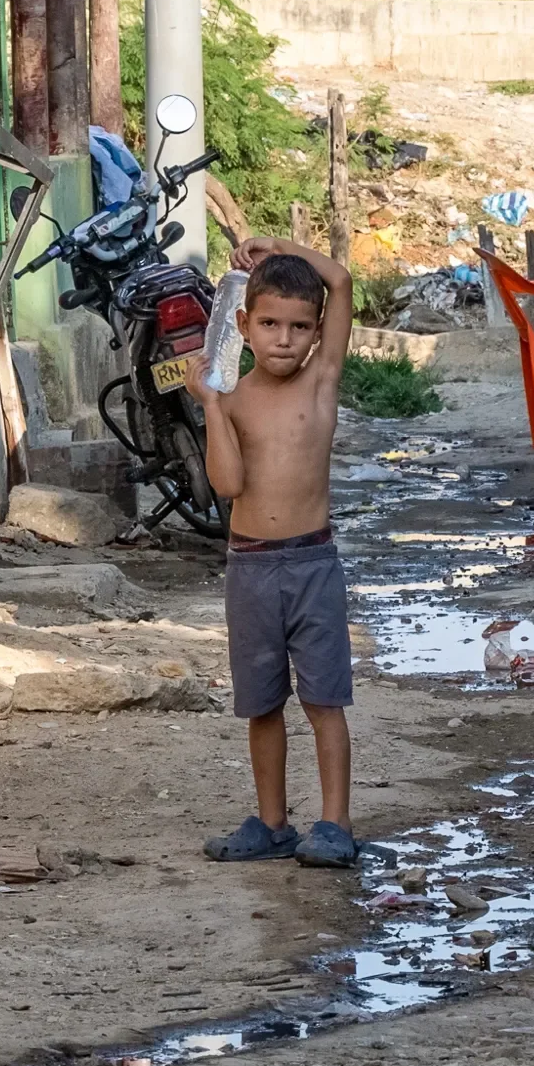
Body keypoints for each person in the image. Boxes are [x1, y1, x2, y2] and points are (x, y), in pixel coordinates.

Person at [184, 236, 362, 869]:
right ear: (243, 325)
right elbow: (228, 486)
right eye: (269, 324)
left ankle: (335, 824)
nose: (284, 338)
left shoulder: (322, 380)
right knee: (262, 703)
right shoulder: (231, 399)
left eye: (298, 326)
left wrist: (281, 250)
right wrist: (209, 404)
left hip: (313, 564)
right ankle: (272, 822)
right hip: (251, 568)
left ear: (317, 334)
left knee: (323, 700)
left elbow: (338, 281)